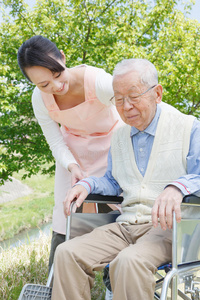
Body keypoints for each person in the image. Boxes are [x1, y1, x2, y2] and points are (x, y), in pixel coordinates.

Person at [51, 58, 200, 300]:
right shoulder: (119, 136)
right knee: (67, 253)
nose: (126, 106)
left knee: (128, 261)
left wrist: (178, 187)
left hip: (169, 228)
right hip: (126, 225)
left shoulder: (189, 128)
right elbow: (113, 182)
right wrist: (86, 184)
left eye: (133, 96)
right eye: (118, 100)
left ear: (157, 93)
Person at [17, 35, 124, 270]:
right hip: (73, 154)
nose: (55, 87)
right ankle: (58, 279)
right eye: (43, 84)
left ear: (63, 58)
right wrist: (72, 166)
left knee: (117, 208)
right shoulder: (40, 99)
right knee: (65, 213)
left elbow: (132, 112)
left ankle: (112, 277)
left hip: (113, 148)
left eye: (57, 74)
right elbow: (55, 142)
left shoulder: (98, 81)